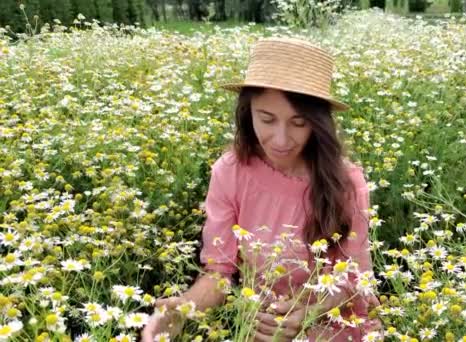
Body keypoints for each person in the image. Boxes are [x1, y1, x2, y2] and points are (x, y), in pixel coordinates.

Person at [141, 37, 381, 342]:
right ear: (247, 113)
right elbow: (219, 272)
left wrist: (306, 314)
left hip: (336, 324)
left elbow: (354, 279)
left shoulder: (346, 182)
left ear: (318, 124)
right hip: (265, 328)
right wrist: (184, 308)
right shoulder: (230, 172)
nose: (281, 140)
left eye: (299, 123)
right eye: (266, 119)